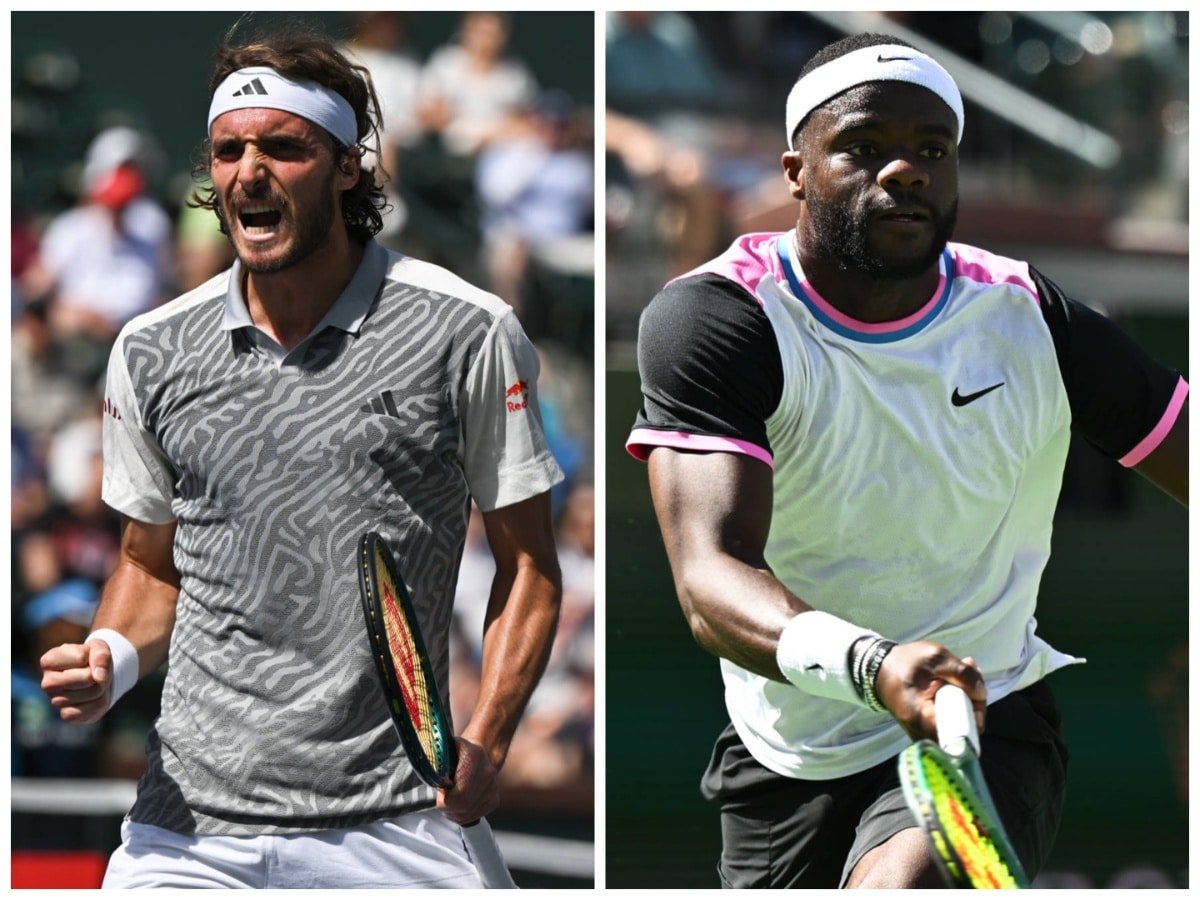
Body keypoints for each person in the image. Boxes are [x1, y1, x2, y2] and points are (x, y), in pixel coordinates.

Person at [626, 33, 1188, 889]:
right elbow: (709, 581)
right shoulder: (717, 320)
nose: (906, 171)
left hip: (982, 717)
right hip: (784, 756)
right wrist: (872, 663)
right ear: (796, 171)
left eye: (933, 150)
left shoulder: (1031, 317)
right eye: (864, 147)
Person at [40, 29, 564, 889]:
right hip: (187, 834)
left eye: (284, 147)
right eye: (228, 150)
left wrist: (489, 738)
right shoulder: (150, 350)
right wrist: (112, 659)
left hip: (401, 821)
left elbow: (529, 566)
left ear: (347, 167)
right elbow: (149, 565)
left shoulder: (465, 330)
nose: (250, 170)